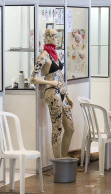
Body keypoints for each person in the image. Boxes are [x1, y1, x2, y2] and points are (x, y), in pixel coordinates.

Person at [30, 28, 74, 158]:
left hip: (62, 93)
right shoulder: (43, 56)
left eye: (57, 36)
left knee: (70, 128)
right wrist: (51, 83)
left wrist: (67, 95)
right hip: (52, 93)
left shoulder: (54, 54)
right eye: (54, 36)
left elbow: (59, 75)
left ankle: (64, 159)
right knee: (57, 129)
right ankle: (58, 163)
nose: (57, 38)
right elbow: (32, 78)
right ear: (48, 37)